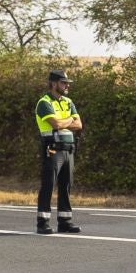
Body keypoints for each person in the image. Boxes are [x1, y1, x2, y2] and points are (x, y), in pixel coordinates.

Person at [35, 70, 83, 235]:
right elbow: (55, 124)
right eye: (64, 82)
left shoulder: (68, 102)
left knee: (66, 185)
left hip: (68, 149)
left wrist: (66, 122)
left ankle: (65, 221)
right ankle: (43, 222)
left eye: (67, 83)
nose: (67, 85)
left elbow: (79, 125)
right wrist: (70, 120)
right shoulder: (44, 102)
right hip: (52, 148)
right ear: (54, 84)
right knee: (48, 184)